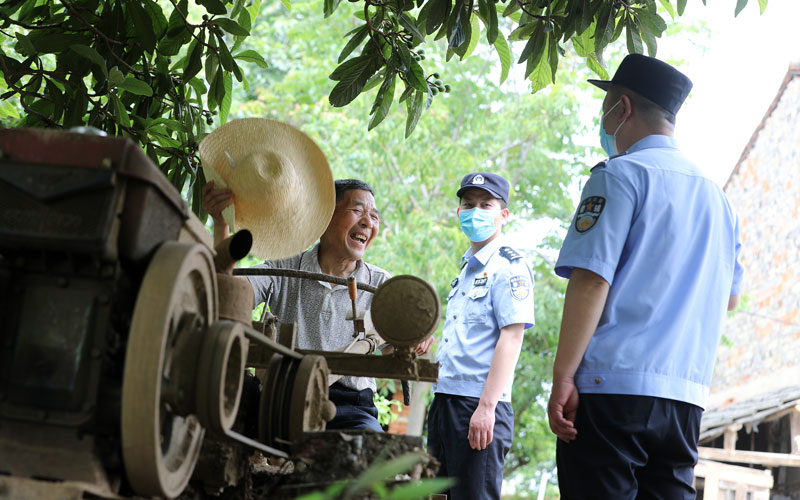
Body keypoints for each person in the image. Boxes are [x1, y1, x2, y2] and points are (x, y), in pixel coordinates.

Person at [547, 54, 744, 499]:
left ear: (623, 109)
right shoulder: (720, 201)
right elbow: (729, 299)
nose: (603, 120)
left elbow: (591, 280)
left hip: (610, 390)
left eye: (606, 109)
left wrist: (563, 378)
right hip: (684, 398)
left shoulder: (619, 176)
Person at [205, 177, 433, 431]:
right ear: (323, 217)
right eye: (357, 210)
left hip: (352, 407)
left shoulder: (382, 286)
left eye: (374, 216)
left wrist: (414, 339)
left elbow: (397, 348)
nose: (368, 222)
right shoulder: (284, 266)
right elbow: (229, 295)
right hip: (281, 398)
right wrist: (221, 224)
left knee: (369, 449)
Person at [427, 172, 535, 500]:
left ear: (503, 215)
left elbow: (512, 338)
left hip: (479, 405)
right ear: (458, 212)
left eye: (485, 204)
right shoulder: (467, 269)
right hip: (445, 398)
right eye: (468, 204)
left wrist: (486, 408)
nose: (475, 211)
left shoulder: (509, 266)